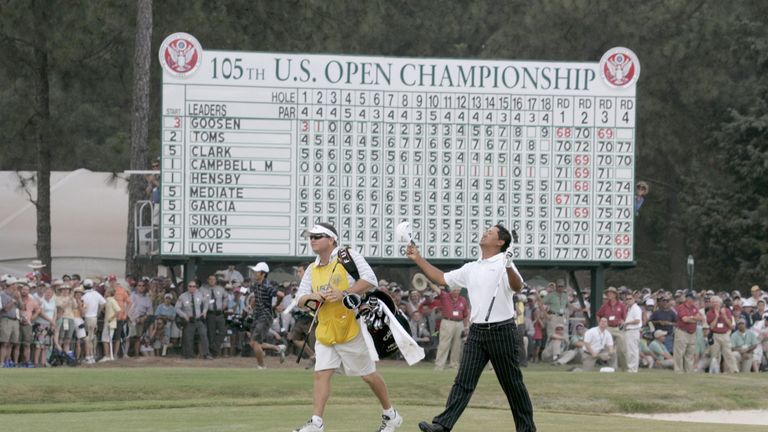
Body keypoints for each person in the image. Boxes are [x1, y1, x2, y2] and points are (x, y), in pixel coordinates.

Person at [409, 224, 535, 432]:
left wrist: (510, 265)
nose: (485, 232)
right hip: (477, 332)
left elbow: (517, 286)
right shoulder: (471, 268)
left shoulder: (504, 261)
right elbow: (442, 278)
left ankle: (527, 429)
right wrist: (418, 259)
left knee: (512, 385)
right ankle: (442, 425)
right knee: (463, 381)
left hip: (502, 331)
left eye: (491, 232)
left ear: (500, 242)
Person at [293, 223, 403, 432]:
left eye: (318, 236)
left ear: (332, 239)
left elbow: (370, 280)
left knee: (368, 375)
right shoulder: (311, 268)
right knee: (321, 374)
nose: (313, 240)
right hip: (325, 330)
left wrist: (344, 293)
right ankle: (317, 422)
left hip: (350, 328)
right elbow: (300, 299)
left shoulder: (347, 255)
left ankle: (390, 414)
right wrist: (314, 297)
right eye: (311, 237)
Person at [246, 262, 286, 368]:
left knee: (255, 342)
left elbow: (281, 295)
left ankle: (261, 366)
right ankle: (278, 348)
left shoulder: (266, 286)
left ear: (263, 274)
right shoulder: (256, 285)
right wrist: (251, 305)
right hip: (257, 316)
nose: (254, 273)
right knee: (253, 343)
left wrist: (276, 305)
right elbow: (256, 297)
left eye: (257, 271)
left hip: (265, 316)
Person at [428, 282, 469, 371]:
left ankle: (454, 366)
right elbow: (436, 289)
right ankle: (439, 366)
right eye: (455, 290)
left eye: (458, 290)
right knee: (444, 344)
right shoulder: (445, 296)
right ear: (451, 290)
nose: (456, 292)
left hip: (459, 323)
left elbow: (465, 314)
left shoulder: (463, 300)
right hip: (447, 322)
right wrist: (428, 282)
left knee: (457, 346)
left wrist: (466, 327)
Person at [175, 281, 211, 360]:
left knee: (204, 336)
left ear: (196, 287)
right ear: (188, 287)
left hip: (198, 319)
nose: (192, 288)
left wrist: (205, 311)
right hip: (189, 320)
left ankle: (206, 354)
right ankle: (189, 356)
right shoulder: (183, 296)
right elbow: (177, 308)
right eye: (190, 286)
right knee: (188, 338)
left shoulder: (200, 294)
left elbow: (206, 302)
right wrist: (184, 315)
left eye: (193, 286)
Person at [596, 286, 626, 370]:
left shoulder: (621, 305)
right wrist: (600, 325)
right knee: (610, 349)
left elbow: (624, 317)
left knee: (622, 349)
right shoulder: (605, 306)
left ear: (615, 295)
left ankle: (625, 368)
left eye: (610, 293)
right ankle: (613, 368)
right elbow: (598, 315)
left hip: (617, 328)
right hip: (608, 328)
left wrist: (622, 321)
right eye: (607, 293)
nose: (608, 295)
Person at [706, 295, 737, 373]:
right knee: (715, 355)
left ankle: (734, 370)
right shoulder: (710, 313)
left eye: (716, 302)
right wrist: (716, 316)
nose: (715, 304)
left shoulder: (727, 311)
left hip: (725, 334)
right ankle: (715, 371)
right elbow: (712, 327)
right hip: (715, 335)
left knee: (728, 353)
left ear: (720, 303)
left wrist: (724, 316)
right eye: (713, 302)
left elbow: (730, 325)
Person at [674, 291, 704, 373]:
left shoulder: (694, 307)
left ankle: (689, 371)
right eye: (693, 299)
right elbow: (685, 319)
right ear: (688, 298)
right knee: (679, 353)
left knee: (690, 353)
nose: (694, 301)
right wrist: (695, 319)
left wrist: (691, 318)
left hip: (692, 333)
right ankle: (678, 371)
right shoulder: (681, 307)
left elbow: (701, 318)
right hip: (682, 332)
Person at [201, 274, 228, 357]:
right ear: (207, 280)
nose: (212, 281)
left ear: (216, 281)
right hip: (210, 314)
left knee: (223, 331)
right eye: (210, 279)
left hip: (220, 314)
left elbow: (226, 297)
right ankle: (213, 353)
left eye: (214, 279)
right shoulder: (202, 289)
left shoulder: (220, 289)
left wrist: (224, 303)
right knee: (211, 333)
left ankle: (214, 347)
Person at [81, 279, 105, 364]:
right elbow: (103, 303)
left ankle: (88, 357)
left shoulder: (83, 296)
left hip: (87, 318)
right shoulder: (96, 294)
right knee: (91, 338)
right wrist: (98, 312)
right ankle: (91, 357)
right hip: (94, 318)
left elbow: (82, 308)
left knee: (87, 338)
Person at [1, 278, 22, 367]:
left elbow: (22, 307)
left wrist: (19, 298)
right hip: (6, 320)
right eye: (15, 284)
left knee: (11, 343)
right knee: (4, 342)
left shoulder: (16, 294)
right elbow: (5, 309)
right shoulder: (2, 294)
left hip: (15, 320)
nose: (16, 286)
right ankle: (1, 362)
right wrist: (13, 300)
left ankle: (7, 362)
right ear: (11, 285)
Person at [543, 279, 569, 345]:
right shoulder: (551, 295)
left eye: (562, 286)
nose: (560, 288)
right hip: (553, 316)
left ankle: (562, 351)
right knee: (552, 335)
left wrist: (580, 309)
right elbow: (540, 303)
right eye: (559, 286)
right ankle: (548, 351)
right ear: (556, 287)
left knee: (564, 333)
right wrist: (546, 314)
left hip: (562, 317)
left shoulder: (565, 295)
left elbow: (569, 305)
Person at [623, 293, 643, 372]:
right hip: (629, 331)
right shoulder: (629, 309)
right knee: (630, 350)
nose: (628, 300)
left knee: (633, 350)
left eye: (630, 298)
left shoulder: (636, 308)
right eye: (627, 299)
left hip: (633, 331)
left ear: (634, 299)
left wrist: (626, 323)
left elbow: (637, 321)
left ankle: (633, 369)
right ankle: (631, 368)